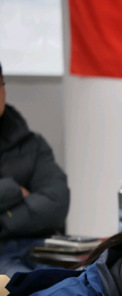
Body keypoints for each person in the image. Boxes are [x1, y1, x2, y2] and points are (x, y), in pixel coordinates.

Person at [0, 60, 70, 275]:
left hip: (40, 247)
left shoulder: (31, 143)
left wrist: (4, 220)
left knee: (76, 282)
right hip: (4, 257)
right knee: (20, 285)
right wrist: (15, 190)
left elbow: (57, 202)